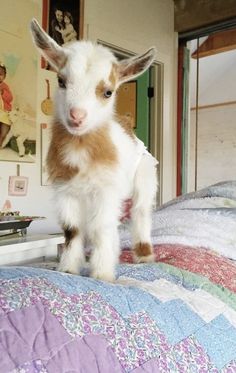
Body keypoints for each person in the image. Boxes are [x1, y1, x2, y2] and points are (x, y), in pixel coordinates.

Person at [0, 63, 13, 147]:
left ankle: (1, 142)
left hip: (4, 112)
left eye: (0, 74)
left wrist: (3, 92)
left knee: (5, 129)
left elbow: (10, 98)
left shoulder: (5, 86)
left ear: (4, 76)